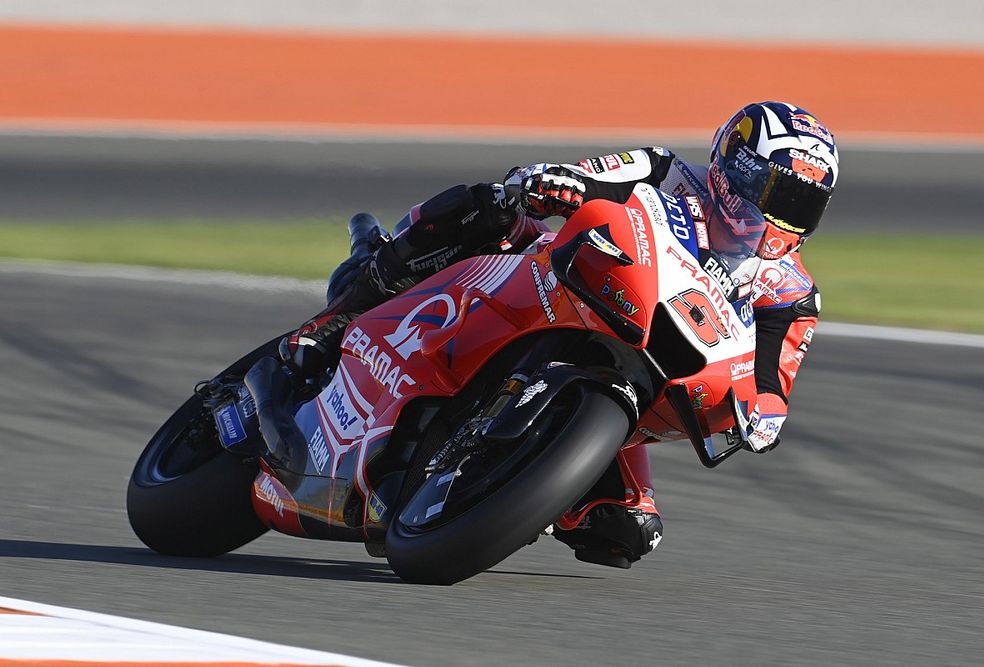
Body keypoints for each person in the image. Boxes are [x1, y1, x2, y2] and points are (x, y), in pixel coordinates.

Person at [281, 101, 838, 569]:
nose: (779, 216)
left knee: (624, 535)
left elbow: (772, 375)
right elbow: (593, 174)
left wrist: (762, 413)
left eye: (800, 207)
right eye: (775, 193)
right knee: (498, 210)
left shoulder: (791, 291)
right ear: (732, 171)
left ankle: (506, 488)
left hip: (644, 376)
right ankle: (347, 310)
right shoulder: (668, 171)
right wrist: (558, 183)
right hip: (561, 289)